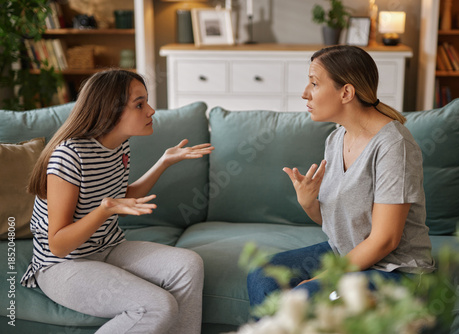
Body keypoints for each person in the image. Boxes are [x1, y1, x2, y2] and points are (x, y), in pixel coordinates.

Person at [21, 69, 214, 334]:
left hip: (108, 248)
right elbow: (59, 245)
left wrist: (164, 162)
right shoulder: (68, 156)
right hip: (62, 266)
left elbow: (122, 198)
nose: (151, 110)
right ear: (109, 111)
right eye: (139, 104)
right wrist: (104, 209)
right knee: (158, 305)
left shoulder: (119, 146)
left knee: (189, 264)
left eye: (146, 101)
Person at [247, 45, 435, 307]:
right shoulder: (336, 138)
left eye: (314, 83)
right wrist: (308, 202)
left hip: (395, 271)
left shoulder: (394, 146)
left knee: (310, 297)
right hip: (347, 255)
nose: (304, 93)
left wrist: (324, 279)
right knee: (262, 276)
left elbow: (386, 240)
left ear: (346, 92)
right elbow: (337, 222)